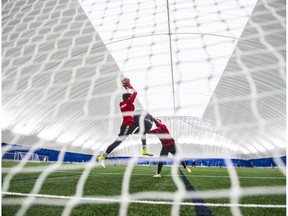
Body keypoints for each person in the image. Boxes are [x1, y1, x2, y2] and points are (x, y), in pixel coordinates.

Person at [97, 78, 152, 167]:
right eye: (130, 98)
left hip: (127, 125)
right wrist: (129, 85)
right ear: (129, 98)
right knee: (118, 142)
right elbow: (135, 93)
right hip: (127, 126)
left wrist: (126, 88)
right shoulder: (129, 103)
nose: (132, 98)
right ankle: (103, 157)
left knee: (141, 131)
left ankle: (144, 149)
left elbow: (127, 96)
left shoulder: (122, 103)